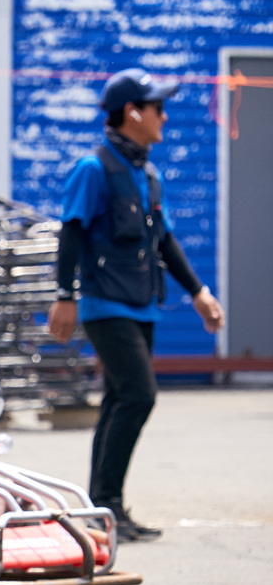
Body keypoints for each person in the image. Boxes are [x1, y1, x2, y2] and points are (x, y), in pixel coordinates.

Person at [48, 69, 224, 541]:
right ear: (133, 113)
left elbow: (163, 240)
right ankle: (104, 505)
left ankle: (104, 508)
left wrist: (199, 292)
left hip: (141, 303)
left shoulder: (147, 173)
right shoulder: (94, 168)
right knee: (140, 394)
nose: (164, 117)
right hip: (105, 305)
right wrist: (65, 295)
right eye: (158, 108)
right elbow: (72, 230)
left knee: (120, 399)